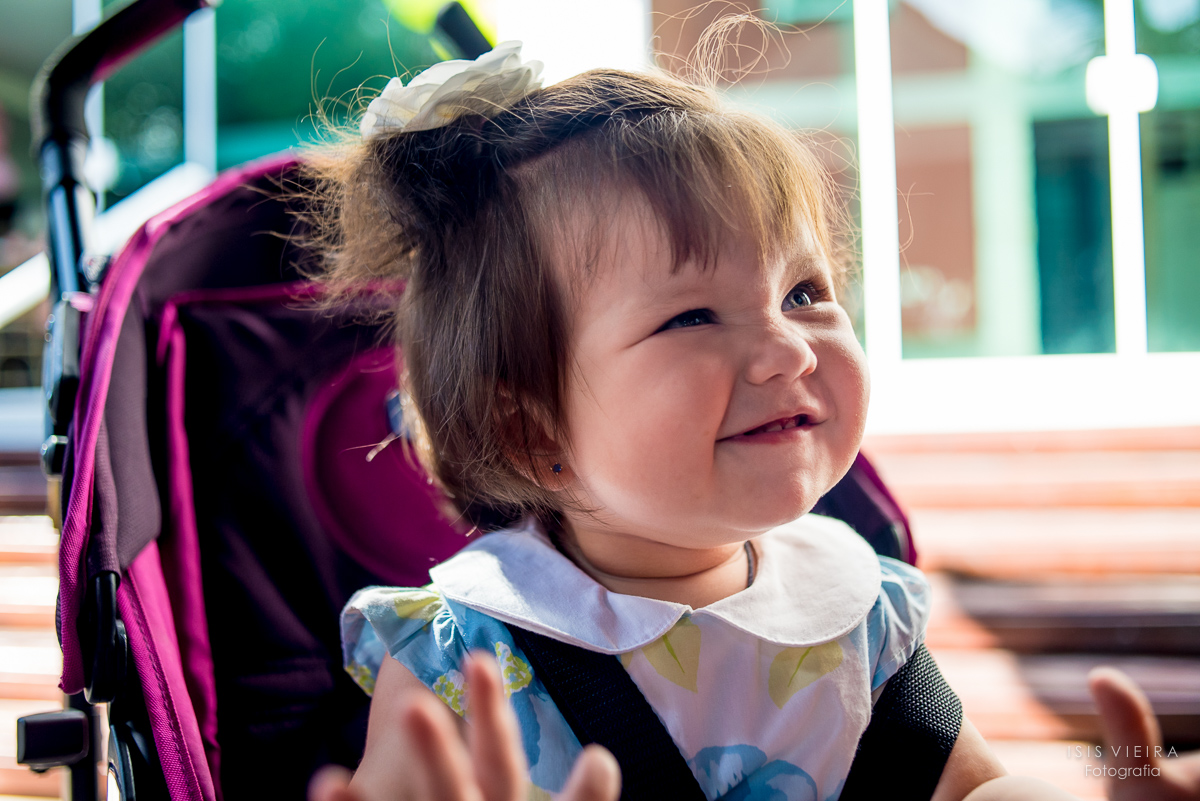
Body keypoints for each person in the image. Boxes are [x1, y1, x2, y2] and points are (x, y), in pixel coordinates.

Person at [301, 42, 1200, 801]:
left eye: (805, 293)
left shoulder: (859, 610)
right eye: (692, 316)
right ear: (535, 432)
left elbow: (967, 788)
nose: (791, 350)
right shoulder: (461, 667)